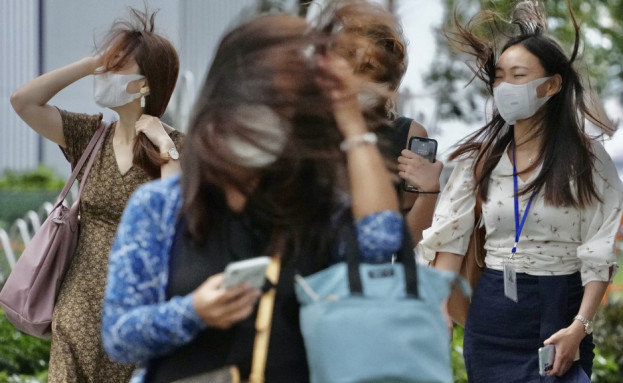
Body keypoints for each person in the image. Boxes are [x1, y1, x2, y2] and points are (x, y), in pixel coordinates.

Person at [101, 13, 403, 382]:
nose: (266, 116)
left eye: (284, 103)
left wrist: (351, 121)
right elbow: (119, 338)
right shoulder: (161, 206)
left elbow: (382, 241)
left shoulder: (317, 209)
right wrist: (194, 311)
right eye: (256, 97)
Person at [417, 1, 623, 381]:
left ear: (551, 85)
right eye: (499, 77)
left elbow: (600, 250)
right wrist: (439, 309)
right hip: (493, 312)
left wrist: (580, 326)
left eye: (518, 76)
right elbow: (452, 240)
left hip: (561, 309)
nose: (504, 87)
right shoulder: (478, 161)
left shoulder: (588, 160)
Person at [9, 7, 182, 382]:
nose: (106, 74)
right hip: (78, 307)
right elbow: (23, 101)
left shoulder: (172, 148)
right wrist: (91, 64)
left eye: (118, 67)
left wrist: (164, 144)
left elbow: (178, 209)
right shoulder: (90, 137)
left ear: (145, 84)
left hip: (136, 309)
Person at [324, 0, 444, 243]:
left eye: (369, 69)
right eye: (348, 64)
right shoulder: (308, 129)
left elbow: (406, 239)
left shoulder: (406, 134)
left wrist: (428, 192)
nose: (356, 80)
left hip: (371, 273)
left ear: (390, 82)